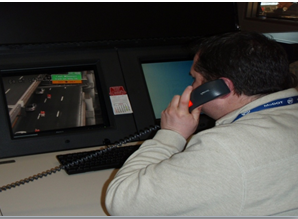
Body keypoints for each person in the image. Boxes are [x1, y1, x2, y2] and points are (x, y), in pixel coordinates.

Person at [105, 31, 298, 216]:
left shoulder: (226, 147)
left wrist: (170, 135)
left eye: (195, 80)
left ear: (220, 88)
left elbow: (122, 203)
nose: (191, 88)